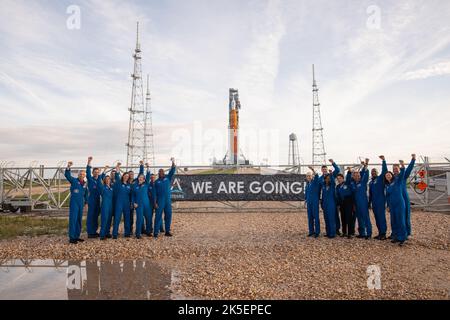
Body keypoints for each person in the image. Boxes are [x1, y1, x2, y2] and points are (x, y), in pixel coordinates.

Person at [64, 162, 88, 244]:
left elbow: (86, 194)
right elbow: (67, 175)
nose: (82, 175)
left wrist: (86, 203)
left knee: (79, 220)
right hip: (74, 203)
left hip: (81, 203)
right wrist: (68, 167)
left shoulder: (85, 184)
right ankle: (72, 237)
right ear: (78, 175)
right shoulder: (74, 181)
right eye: (80, 174)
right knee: (73, 219)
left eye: (83, 174)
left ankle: (77, 236)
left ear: (85, 176)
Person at [385, 161, 407, 246]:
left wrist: (402, 166)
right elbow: (387, 197)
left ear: (392, 175)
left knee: (400, 220)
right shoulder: (387, 185)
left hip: (399, 203)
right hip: (392, 205)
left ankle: (402, 238)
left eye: (389, 175)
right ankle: (396, 236)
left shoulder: (397, 180)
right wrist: (388, 206)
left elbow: (402, 174)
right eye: (386, 176)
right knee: (393, 221)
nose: (388, 176)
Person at [154, 159, 176, 238]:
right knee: (158, 216)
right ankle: (156, 232)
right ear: (158, 173)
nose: (161, 173)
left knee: (168, 215)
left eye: (162, 172)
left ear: (164, 173)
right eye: (160, 172)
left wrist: (173, 162)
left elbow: (172, 170)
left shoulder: (168, 178)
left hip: (167, 200)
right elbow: (155, 193)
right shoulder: (156, 182)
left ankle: (167, 231)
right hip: (160, 201)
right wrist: (155, 202)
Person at [131, 161, 154, 239]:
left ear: (144, 179)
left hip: (146, 204)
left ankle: (148, 231)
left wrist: (147, 167)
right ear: (138, 178)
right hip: (138, 205)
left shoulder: (146, 184)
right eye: (139, 177)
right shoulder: (134, 185)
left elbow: (147, 175)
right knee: (139, 219)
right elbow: (133, 195)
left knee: (148, 218)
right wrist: (134, 203)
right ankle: (138, 233)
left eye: (142, 177)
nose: (140, 178)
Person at [351, 159, 372, 239]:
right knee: (359, 218)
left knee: (366, 218)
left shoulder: (363, 182)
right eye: (355, 175)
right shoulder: (352, 184)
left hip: (363, 203)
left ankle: (369, 233)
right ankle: (362, 233)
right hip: (356, 203)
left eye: (358, 175)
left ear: (360, 176)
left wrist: (366, 165)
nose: (356, 176)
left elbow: (366, 174)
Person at [319, 160, 342, 235]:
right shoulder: (320, 178)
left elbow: (338, 170)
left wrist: (333, 163)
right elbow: (319, 188)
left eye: (325, 169)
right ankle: (329, 231)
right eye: (323, 169)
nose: (324, 170)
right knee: (327, 216)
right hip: (325, 199)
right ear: (321, 170)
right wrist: (321, 200)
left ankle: (337, 229)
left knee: (335, 215)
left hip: (333, 199)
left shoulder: (331, 175)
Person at [368, 156, 388, 240]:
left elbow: (384, 171)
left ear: (377, 172)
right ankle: (380, 232)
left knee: (381, 217)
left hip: (380, 201)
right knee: (376, 217)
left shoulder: (380, 179)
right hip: (374, 202)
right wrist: (369, 203)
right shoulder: (371, 182)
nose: (373, 173)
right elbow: (370, 194)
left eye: (374, 171)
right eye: (372, 172)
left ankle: (383, 233)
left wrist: (383, 161)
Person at [86, 157, 105, 238]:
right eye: (95, 172)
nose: (96, 173)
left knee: (96, 216)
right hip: (91, 200)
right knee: (91, 216)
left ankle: (94, 231)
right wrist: (89, 162)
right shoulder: (90, 179)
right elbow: (87, 172)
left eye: (97, 172)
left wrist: (105, 169)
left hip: (98, 200)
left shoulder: (99, 179)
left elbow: (102, 175)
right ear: (93, 173)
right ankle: (90, 232)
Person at [112, 163, 132, 239]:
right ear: (123, 176)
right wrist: (118, 167)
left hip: (126, 203)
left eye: (127, 176)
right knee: (117, 218)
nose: (126, 177)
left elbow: (131, 195)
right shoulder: (118, 183)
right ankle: (114, 234)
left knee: (127, 218)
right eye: (125, 176)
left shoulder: (129, 185)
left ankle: (127, 233)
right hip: (119, 203)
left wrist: (131, 203)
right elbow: (117, 174)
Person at [336, 168, 354, 238]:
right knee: (343, 217)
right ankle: (344, 232)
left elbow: (349, 178)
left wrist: (349, 172)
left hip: (348, 202)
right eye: (338, 178)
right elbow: (337, 196)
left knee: (349, 217)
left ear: (343, 178)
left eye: (340, 178)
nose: (339, 179)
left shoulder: (347, 183)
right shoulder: (337, 187)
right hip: (341, 203)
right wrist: (338, 204)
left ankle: (350, 233)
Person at [97, 172, 114, 241]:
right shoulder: (102, 187)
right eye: (106, 179)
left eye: (109, 179)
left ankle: (107, 232)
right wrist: (102, 172)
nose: (107, 180)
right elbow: (98, 181)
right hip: (105, 205)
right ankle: (102, 235)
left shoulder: (111, 188)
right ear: (104, 180)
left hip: (110, 205)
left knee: (109, 219)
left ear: (110, 180)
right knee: (104, 219)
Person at [403, 154, 416, 237]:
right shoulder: (393, 179)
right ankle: (397, 232)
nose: (395, 171)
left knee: (406, 215)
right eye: (394, 170)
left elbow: (409, 169)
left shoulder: (403, 177)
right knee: (398, 217)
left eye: (396, 169)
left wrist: (413, 160)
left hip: (404, 197)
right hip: (396, 199)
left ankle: (408, 232)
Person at [305, 167, 321, 237]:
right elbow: (306, 194)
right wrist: (305, 200)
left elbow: (317, 176)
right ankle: (311, 231)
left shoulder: (315, 182)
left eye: (309, 175)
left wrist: (313, 170)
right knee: (310, 217)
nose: (308, 177)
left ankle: (317, 232)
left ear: (312, 176)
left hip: (314, 202)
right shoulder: (307, 185)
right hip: (309, 203)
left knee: (316, 217)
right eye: (307, 176)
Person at [321, 173, 337, 238]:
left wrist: (331, 175)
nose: (327, 180)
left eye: (328, 179)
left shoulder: (332, 185)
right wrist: (322, 203)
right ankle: (328, 232)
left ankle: (332, 233)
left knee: (331, 219)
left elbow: (333, 181)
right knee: (326, 219)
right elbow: (323, 196)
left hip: (331, 204)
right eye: (326, 179)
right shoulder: (324, 186)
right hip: (325, 204)